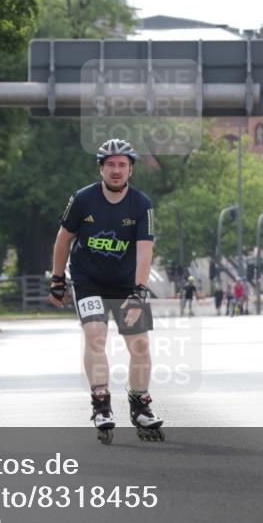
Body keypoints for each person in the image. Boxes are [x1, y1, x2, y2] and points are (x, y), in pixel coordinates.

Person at [48, 138, 163, 444]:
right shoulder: (83, 200)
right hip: (89, 281)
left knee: (139, 346)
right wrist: (58, 280)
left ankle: (140, 403)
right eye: (110, 165)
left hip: (127, 283)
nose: (116, 171)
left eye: (122, 165)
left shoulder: (142, 205)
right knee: (96, 335)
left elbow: (144, 251)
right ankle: (101, 401)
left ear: (131, 170)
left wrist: (140, 290)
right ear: (101, 168)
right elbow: (63, 239)